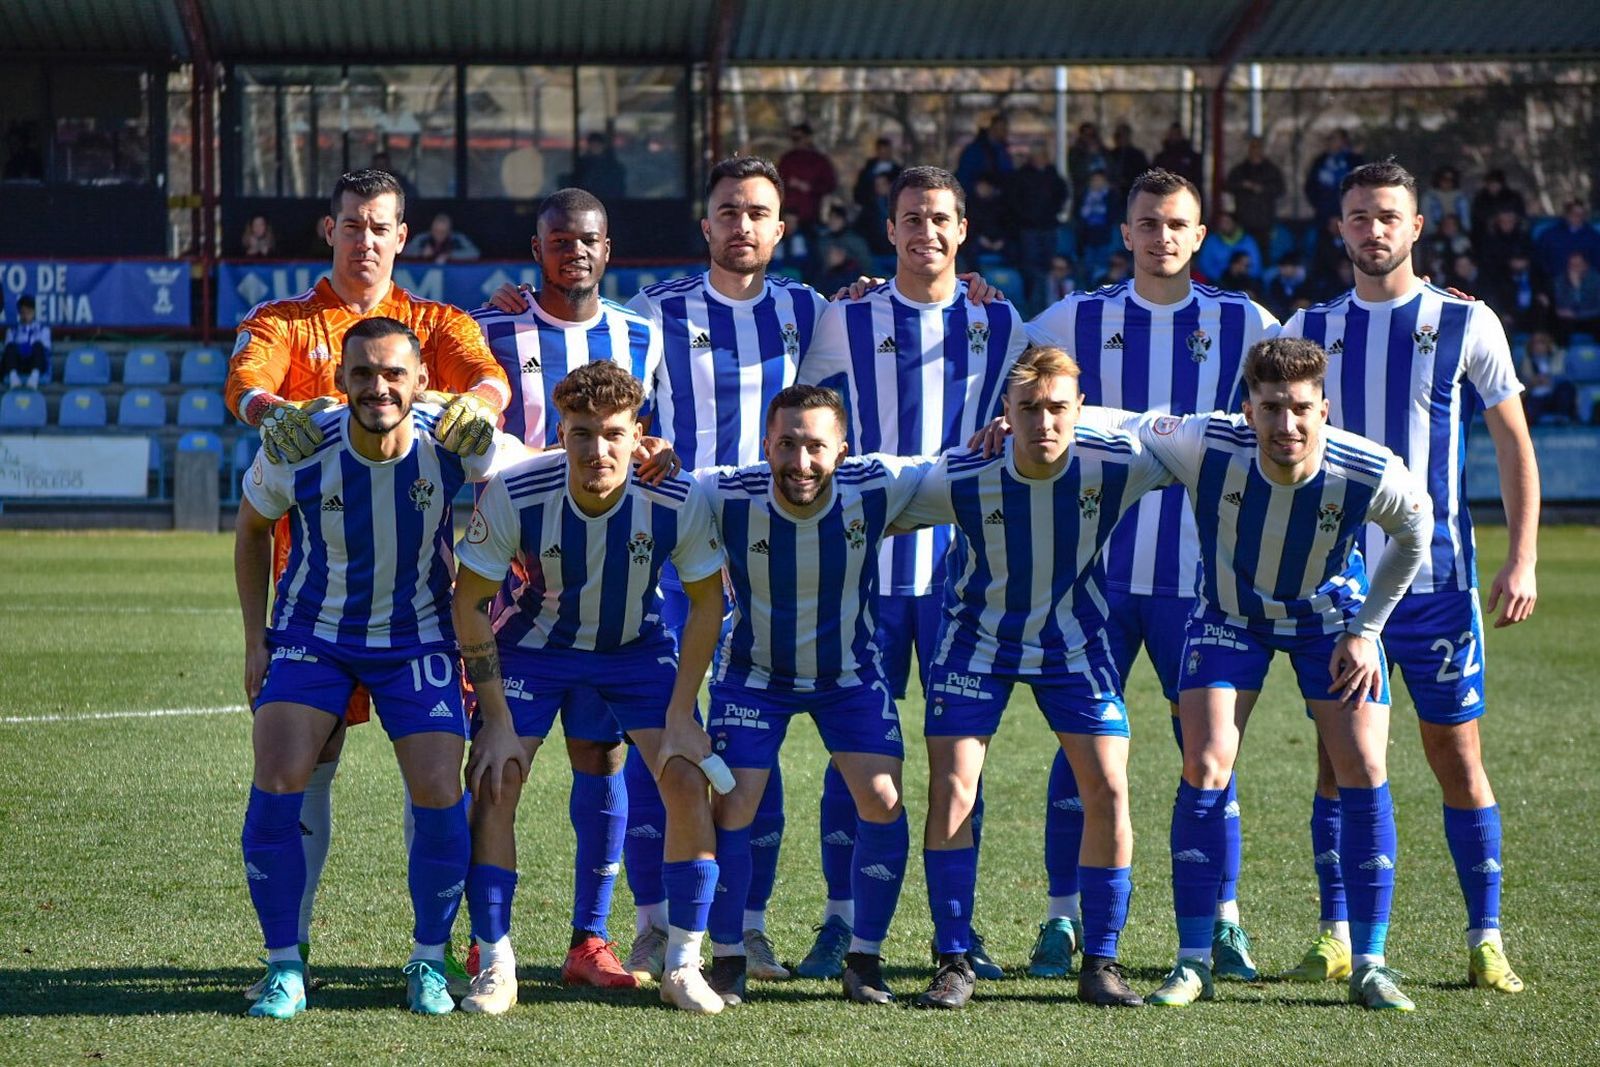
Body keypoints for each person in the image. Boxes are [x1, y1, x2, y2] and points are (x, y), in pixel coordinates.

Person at [225, 168, 509, 1001]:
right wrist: (266, 412)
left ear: (400, 234)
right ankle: (288, 956)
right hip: (312, 592)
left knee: (434, 783)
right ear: (331, 229)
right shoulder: (286, 321)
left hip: (414, 616)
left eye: (380, 225)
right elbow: (249, 384)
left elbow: (489, 379)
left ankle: (428, 954)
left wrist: (482, 410)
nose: (365, 238)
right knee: (297, 767)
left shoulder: (437, 323)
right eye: (352, 224)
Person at [1280, 159, 1539, 996]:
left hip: (1441, 584)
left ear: (1417, 225)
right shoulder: (1310, 327)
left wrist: (1522, 556)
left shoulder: (1467, 323)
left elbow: (1512, 444)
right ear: (1340, 228)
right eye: (1357, 216)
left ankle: (1485, 937)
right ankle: (1336, 932)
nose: (1372, 229)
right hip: (1341, 585)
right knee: (1339, 757)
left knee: (1455, 754)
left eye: (1387, 215)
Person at [1023, 166, 1278, 983]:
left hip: (1205, 582)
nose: (1161, 237)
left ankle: (1223, 921)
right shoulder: (1076, 315)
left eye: (1177, 225)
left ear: (1200, 236)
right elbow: (1002, 366)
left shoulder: (1245, 321)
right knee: (1084, 754)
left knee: (1213, 754)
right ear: (1125, 232)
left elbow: (1300, 412)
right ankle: (1063, 917)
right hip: (1095, 580)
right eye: (1147, 223)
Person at [1135, 336, 1433, 1012]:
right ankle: (1191, 961)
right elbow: (1121, 422)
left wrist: (1367, 630)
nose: (1286, 424)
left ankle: (1371, 962)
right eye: (1271, 407)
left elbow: (1417, 530)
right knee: (1206, 760)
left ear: (1323, 408)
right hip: (1230, 616)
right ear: (1248, 408)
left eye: (1300, 408)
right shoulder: (1206, 444)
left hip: (1332, 622)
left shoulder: (1366, 468)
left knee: (1362, 764)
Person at [799, 165, 1028, 980]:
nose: (925, 231)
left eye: (939, 218)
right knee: (852, 753)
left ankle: (956, 931)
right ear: (889, 230)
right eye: (909, 218)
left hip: (962, 580)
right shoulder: (845, 315)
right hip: (862, 574)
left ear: (963, 230)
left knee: (958, 757)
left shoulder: (1003, 322)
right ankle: (838, 921)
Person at [895, 347, 1173, 1010]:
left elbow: (1192, 435)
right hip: (975, 642)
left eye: (1057, 408)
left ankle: (1102, 958)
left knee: (1108, 785)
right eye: (1028, 408)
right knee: (954, 788)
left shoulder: (1117, 462)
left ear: (1079, 411)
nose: (1044, 421)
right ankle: (954, 956)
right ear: (1005, 414)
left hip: (1074, 644)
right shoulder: (961, 475)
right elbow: (879, 498)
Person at [450, 360, 728, 1015]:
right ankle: (495, 962)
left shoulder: (674, 496)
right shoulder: (518, 490)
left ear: (639, 435)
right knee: (495, 774)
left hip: (633, 648)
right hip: (535, 645)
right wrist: (492, 717)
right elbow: (470, 602)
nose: (597, 449)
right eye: (581, 433)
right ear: (561, 433)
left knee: (687, 775)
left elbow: (708, 603)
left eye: (612, 434)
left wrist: (684, 713)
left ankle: (683, 963)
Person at [463, 186, 669, 994]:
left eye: (586, 240)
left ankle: (591, 938)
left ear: (606, 248)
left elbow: (658, 432)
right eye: (557, 239)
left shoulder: (640, 332)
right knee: (494, 760)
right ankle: (486, 941)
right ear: (537, 246)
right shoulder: (492, 327)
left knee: (601, 751)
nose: (572, 252)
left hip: (608, 577)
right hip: (517, 579)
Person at [694, 384, 929, 1007]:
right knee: (733, 806)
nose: (801, 462)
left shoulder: (877, 485)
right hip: (754, 677)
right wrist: (653, 453)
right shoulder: (722, 492)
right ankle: (728, 959)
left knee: (882, 799)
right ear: (765, 445)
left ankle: (865, 959)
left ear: (843, 451)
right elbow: (660, 488)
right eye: (788, 445)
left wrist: (998, 437)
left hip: (847, 677)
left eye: (816, 447)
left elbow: (954, 475)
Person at [1009, 142, 1069, 316]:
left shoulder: (1053, 175)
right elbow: (1015, 200)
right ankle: (1032, 307)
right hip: (1029, 229)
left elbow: (1062, 194)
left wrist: (1053, 212)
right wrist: (1025, 217)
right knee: (1031, 268)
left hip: (1049, 227)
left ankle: (1050, 307)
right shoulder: (1022, 175)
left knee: (1051, 267)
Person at [1225, 137, 1286, 257]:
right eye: (1253, 147)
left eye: (1258, 147)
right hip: (1243, 220)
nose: (1255, 151)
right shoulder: (1240, 170)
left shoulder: (1271, 170)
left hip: (1265, 221)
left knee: (1264, 253)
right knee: (1243, 253)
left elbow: (1280, 189)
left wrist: (1263, 189)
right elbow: (1228, 185)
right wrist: (1243, 185)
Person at [778, 124, 838, 237]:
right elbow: (777, 181)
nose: (796, 142)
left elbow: (831, 184)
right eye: (793, 139)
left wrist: (810, 188)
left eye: (798, 138)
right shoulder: (787, 159)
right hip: (789, 216)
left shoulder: (819, 160)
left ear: (808, 138)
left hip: (812, 215)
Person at [1304, 129, 1362, 227]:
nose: (1335, 143)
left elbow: (1361, 185)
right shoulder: (1321, 161)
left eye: (1338, 139)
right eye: (1332, 139)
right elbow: (1311, 186)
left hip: (1349, 213)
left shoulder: (1354, 161)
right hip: (1324, 215)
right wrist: (1321, 208)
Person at [1519, 331, 1580, 424]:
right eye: (1535, 344)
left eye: (1542, 343)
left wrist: (1550, 380)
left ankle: (1563, 418)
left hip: (1554, 391)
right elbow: (1524, 379)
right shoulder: (1526, 360)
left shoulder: (1559, 356)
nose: (1538, 347)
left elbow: (1565, 376)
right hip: (1536, 394)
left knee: (1565, 389)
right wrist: (1534, 381)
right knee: (1532, 404)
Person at [813, 204, 874, 288]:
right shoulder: (823, 241)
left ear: (843, 220)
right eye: (831, 218)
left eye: (837, 218)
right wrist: (830, 264)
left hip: (854, 279)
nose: (833, 221)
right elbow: (818, 267)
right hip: (828, 280)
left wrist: (845, 260)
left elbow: (866, 264)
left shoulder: (854, 240)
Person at [1536, 201, 1600, 280]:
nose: (1578, 217)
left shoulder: (1593, 236)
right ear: (1566, 214)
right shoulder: (1549, 235)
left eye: (1582, 214)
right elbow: (1540, 259)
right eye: (1574, 213)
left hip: (1587, 282)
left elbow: (1597, 262)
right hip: (1556, 279)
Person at [955, 113, 1013, 199]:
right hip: (979, 203)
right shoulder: (975, 151)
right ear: (991, 128)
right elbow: (962, 177)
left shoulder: (1004, 151)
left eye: (1004, 128)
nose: (1004, 132)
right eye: (999, 128)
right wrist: (975, 188)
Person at [1196, 210, 1261, 283]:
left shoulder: (1248, 241)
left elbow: (1256, 267)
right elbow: (1204, 265)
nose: (1224, 225)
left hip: (1245, 282)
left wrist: (1242, 273)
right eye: (1222, 223)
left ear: (1235, 223)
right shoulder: (1212, 241)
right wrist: (1224, 276)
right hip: (1218, 283)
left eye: (1227, 222)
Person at [2, 295, 50, 390]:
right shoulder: (12, 331)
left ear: (34, 312)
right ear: (19, 313)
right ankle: (13, 378)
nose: (25, 316)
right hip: (17, 364)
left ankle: (34, 378)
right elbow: (8, 351)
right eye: (23, 313)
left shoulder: (43, 330)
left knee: (38, 345)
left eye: (29, 313)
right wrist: (24, 348)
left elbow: (46, 350)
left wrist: (25, 348)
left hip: (34, 363)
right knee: (10, 346)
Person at [1470, 169, 1527, 248]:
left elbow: (1521, 215)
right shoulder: (1480, 199)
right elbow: (1476, 219)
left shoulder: (1513, 197)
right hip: (1487, 236)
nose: (1493, 187)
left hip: (1512, 234)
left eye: (1496, 183)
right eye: (1490, 184)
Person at [1553, 251, 1600, 342]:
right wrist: (1574, 288)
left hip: (1590, 317)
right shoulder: (1559, 281)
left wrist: (1578, 315)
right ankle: (1561, 353)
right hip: (1567, 319)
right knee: (1558, 325)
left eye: (1578, 265)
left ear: (1586, 266)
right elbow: (1559, 305)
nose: (1574, 268)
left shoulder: (1597, 280)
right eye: (1571, 265)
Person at [853, 136, 902, 218]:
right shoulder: (867, 169)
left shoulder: (897, 171)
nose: (884, 154)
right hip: (870, 209)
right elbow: (860, 188)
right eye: (882, 151)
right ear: (877, 151)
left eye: (886, 151)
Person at [1104, 123, 1149, 211]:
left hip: (1132, 192)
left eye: (1124, 136)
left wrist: (1129, 182)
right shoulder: (1111, 155)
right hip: (1113, 192)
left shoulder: (1137, 155)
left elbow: (1144, 173)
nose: (1121, 139)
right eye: (1119, 136)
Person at [570, 131, 627, 200]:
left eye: (597, 145)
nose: (595, 147)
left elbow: (618, 187)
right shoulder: (582, 164)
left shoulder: (613, 166)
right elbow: (577, 184)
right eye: (592, 145)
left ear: (603, 146)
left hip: (610, 202)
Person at [405, 213, 481, 263]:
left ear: (449, 231)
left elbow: (475, 253)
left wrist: (450, 255)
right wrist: (421, 252)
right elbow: (404, 252)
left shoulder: (458, 239)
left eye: (442, 232)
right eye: (436, 231)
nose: (439, 235)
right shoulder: (422, 238)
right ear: (431, 229)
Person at [1066, 123, 1107, 215]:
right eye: (1085, 135)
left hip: (1104, 196)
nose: (1089, 138)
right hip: (1083, 195)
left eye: (1092, 135)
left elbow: (1112, 170)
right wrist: (1088, 155)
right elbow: (1075, 172)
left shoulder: (1104, 152)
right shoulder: (1075, 152)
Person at [1152, 124, 1203, 198]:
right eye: (1172, 134)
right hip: (1165, 196)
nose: (1174, 137)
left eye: (1177, 134)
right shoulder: (1161, 158)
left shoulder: (1192, 157)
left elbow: (1196, 179)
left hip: (1185, 195)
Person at [1421, 166, 1470, 236]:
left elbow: (1465, 220)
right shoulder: (1430, 198)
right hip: (1434, 235)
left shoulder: (1460, 198)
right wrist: (1433, 232)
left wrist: (1464, 232)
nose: (1447, 182)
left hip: (1458, 235)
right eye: (1444, 179)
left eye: (1451, 180)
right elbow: (1427, 218)